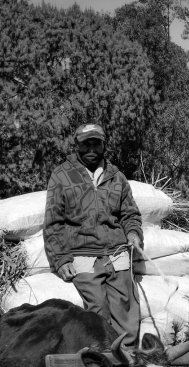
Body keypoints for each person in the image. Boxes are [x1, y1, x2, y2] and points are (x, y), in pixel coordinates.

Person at [43, 123, 145, 350]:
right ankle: (101, 359)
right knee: (98, 307)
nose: (91, 147)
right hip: (82, 254)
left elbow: (130, 214)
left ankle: (126, 361)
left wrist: (133, 233)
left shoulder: (116, 177)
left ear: (103, 145)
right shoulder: (62, 176)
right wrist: (61, 259)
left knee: (126, 306)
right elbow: (53, 222)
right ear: (76, 145)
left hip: (117, 252)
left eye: (95, 142)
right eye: (85, 143)